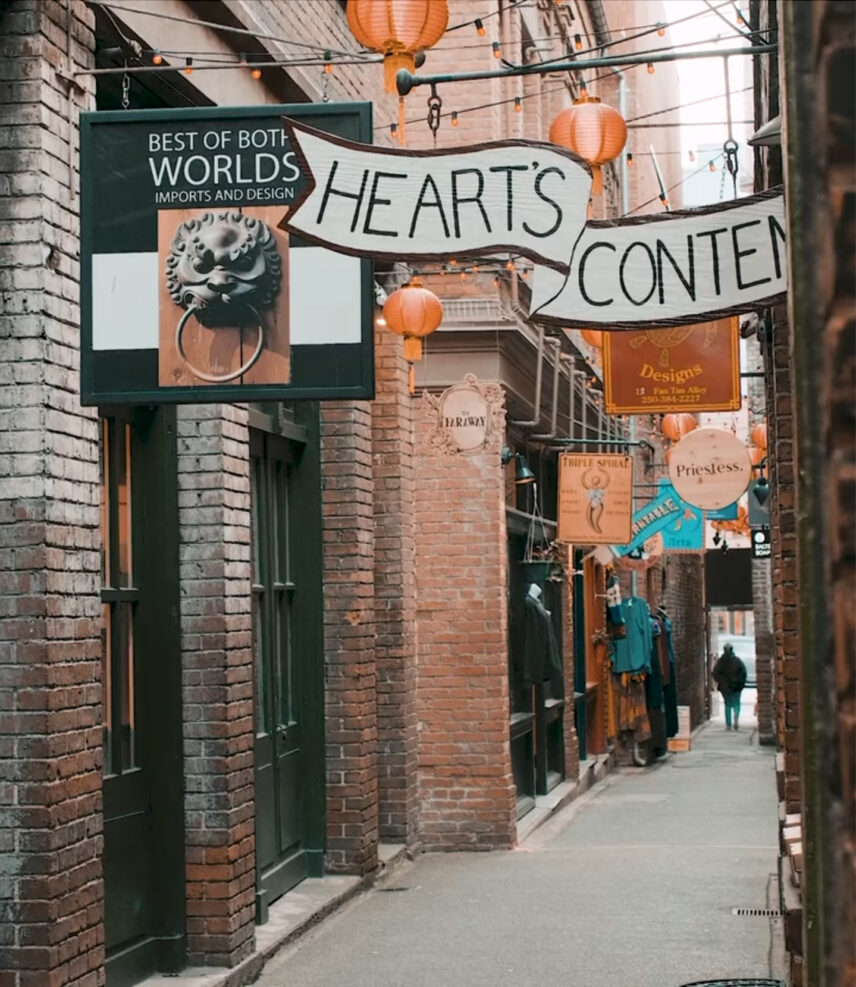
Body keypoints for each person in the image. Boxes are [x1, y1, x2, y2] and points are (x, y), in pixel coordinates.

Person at [712, 643, 748, 730]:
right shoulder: (737, 661)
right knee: (736, 703)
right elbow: (744, 672)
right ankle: (736, 716)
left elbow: (715, 673)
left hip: (725, 687)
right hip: (736, 686)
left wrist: (720, 681)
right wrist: (741, 683)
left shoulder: (720, 662)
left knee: (727, 704)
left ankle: (728, 724)